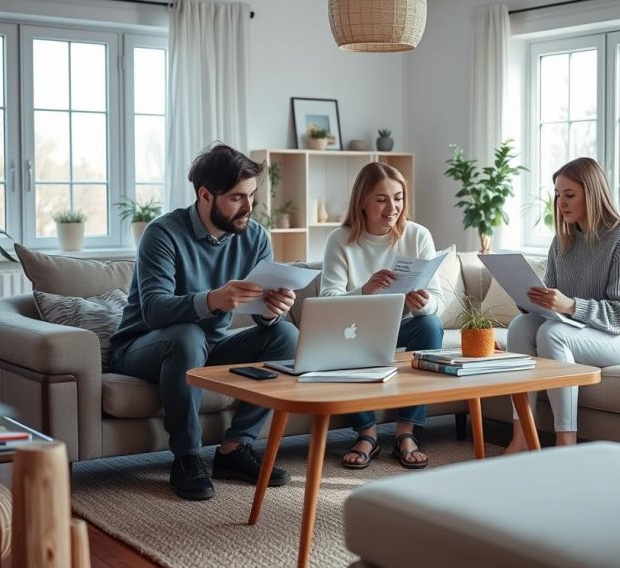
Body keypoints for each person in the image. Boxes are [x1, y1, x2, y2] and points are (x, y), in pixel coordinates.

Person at [110, 143, 299, 500]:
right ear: (205, 195)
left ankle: (235, 449)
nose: (248, 208)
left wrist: (273, 312)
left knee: (286, 336)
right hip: (143, 348)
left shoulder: (255, 237)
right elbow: (153, 309)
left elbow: (261, 314)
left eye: (252, 196)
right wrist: (213, 299)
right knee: (186, 336)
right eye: (237, 198)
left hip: (209, 347)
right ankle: (187, 457)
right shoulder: (163, 234)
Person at [504, 157, 620, 453]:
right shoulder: (562, 241)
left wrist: (570, 305)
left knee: (552, 333)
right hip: (580, 329)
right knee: (520, 327)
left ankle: (565, 445)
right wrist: (531, 300)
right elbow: (553, 301)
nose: (561, 203)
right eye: (557, 195)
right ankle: (522, 438)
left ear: (592, 193)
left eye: (569, 195)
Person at [320, 162, 445, 470]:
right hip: (356, 331)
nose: (392, 207)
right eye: (381, 199)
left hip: (402, 326)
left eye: (398, 198)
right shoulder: (340, 240)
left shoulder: (417, 235)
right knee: (343, 344)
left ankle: (406, 432)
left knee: (430, 325)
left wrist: (423, 305)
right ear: (362, 200)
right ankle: (367, 434)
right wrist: (365, 290)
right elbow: (326, 302)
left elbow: (440, 302)